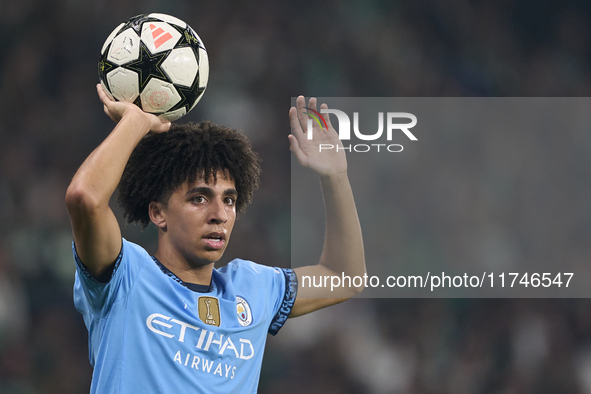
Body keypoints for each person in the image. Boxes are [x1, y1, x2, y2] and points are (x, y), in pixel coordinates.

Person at [65, 85, 366, 393]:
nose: (219, 214)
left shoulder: (253, 288)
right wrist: (136, 121)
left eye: (230, 200)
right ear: (158, 213)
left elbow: (344, 277)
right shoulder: (125, 276)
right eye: (199, 198)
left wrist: (335, 178)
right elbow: (84, 198)